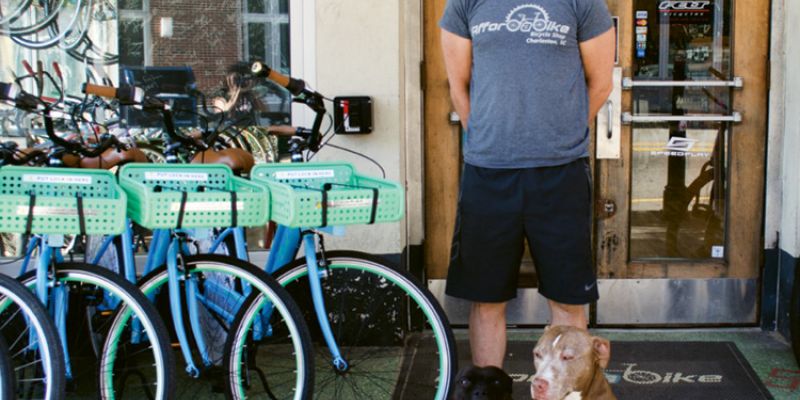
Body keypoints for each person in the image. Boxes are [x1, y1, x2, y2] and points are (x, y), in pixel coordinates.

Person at [440, 0, 615, 368]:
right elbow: (458, 85)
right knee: (486, 298)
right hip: (489, 174)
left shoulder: (582, 3)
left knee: (568, 298)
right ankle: (488, 389)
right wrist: (487, 139)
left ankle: (566, 389)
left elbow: (601, 83)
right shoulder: (465, 3)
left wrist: (561, 135)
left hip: (560, 173)